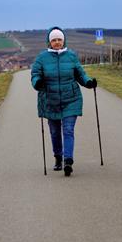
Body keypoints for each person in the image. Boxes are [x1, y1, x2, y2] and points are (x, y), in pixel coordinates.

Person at [31, 26, 97, 176]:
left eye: (59, 39)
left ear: (63, 40)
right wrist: (38, 82)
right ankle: (58, 158)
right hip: (50, 100)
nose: (57, 42)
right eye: (54, 40)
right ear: (49, 42)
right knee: (54, 132)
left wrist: (88, 82)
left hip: (71, 99)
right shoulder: (41, 58)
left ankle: (68, 160)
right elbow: (35, 74)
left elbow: (81, 74)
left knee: (68, 129)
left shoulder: (71, 56)